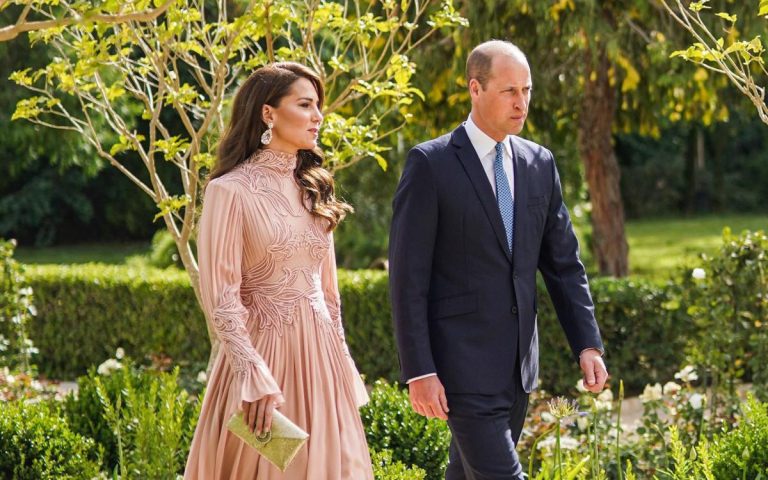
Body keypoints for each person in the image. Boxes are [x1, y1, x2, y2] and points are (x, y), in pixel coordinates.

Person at [389, 40, 609, 479]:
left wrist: (587, 343)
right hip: (459, 368)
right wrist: (420, 370)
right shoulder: (430, 164)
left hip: (517, 369)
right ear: (475, 88)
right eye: (510, 91)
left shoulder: (538, 163)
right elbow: (408, 278)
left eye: (526, 90)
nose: (521, 102)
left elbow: (564, 266)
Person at [185, 62, 373, 480]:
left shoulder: (314, 188)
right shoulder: (228, 191)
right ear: (268, 114)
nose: (318, 116)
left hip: (322, 363)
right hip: (265, 362)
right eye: (305, 104)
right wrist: (252, 373)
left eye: (318, 105)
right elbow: (222, 296)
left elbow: (329, 294)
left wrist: (343, 363)